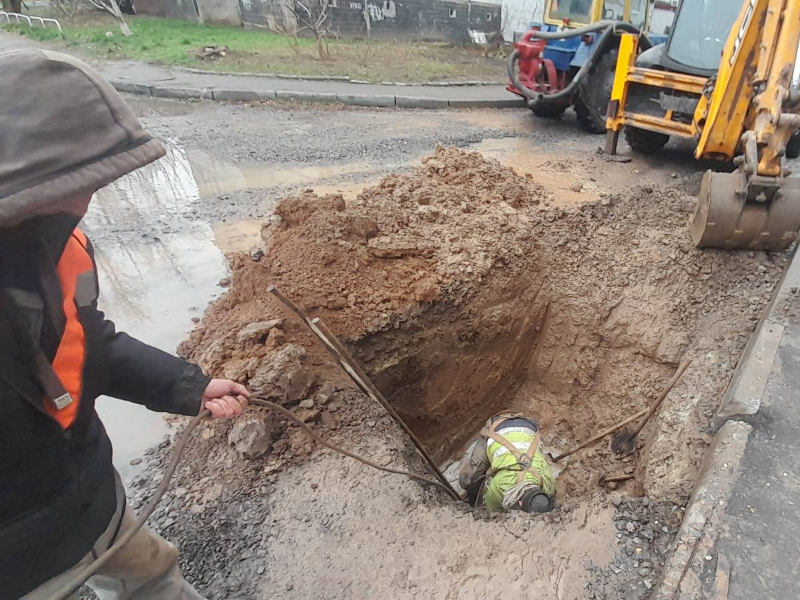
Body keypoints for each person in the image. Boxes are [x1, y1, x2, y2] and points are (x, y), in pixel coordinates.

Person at [0, 49, 251, 599]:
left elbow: (88, 342)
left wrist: (189, 386)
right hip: (20, 564)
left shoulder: (59, 243)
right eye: (83, 177)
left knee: (154, 575)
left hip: (94, 500)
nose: (91, 197)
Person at [458, 412, 556, 513]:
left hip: (529, 427)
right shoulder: (500, 487)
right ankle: (472, 497)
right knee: (467, 481)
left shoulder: (548, 483)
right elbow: (492, 513)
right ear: (520, 504)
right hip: (496, 428)